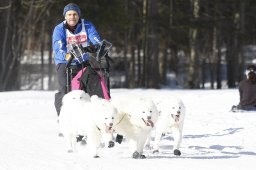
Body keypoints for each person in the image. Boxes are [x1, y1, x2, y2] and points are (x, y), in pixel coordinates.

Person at [52, 3, 102, 117]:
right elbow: (58, 48)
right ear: (65, 16)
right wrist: (68, 56)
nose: (72, 17)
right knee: (65, 90)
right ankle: (63, 118)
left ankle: (92, 117)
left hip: (83, 61)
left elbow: (96, 39)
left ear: (79, 15)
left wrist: (97, 47)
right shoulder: (59, 29)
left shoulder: (87, 25)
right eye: (69, 14)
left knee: (90, 88)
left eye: (74, 14)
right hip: (65, 62)